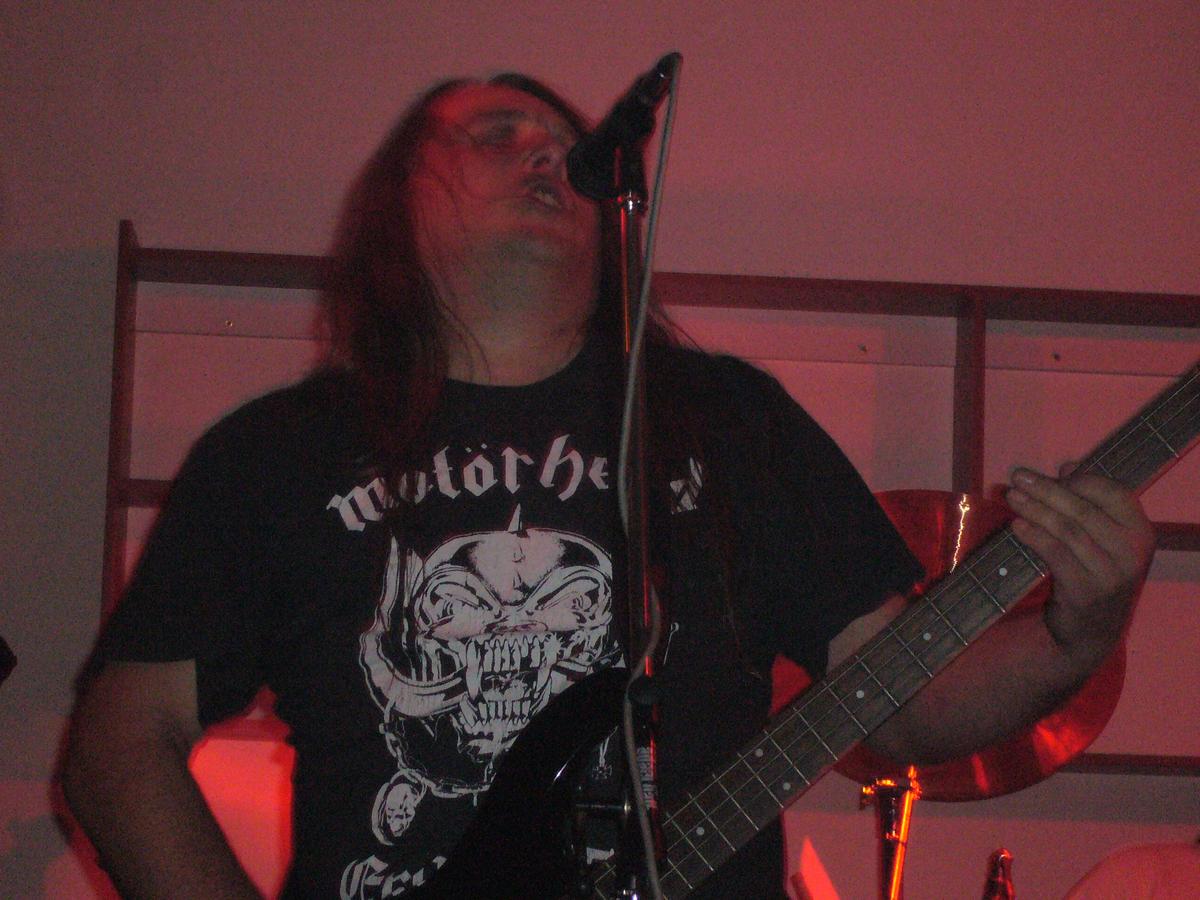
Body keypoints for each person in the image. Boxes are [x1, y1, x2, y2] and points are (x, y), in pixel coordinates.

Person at [61, 72, 1156, 900]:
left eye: (567, 143)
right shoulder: (279, 455)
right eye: (497, 133)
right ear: (400, 205)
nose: (549, 151)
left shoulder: (729, 423)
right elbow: (118, 749)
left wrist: (1081, 629)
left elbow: (911, 706)